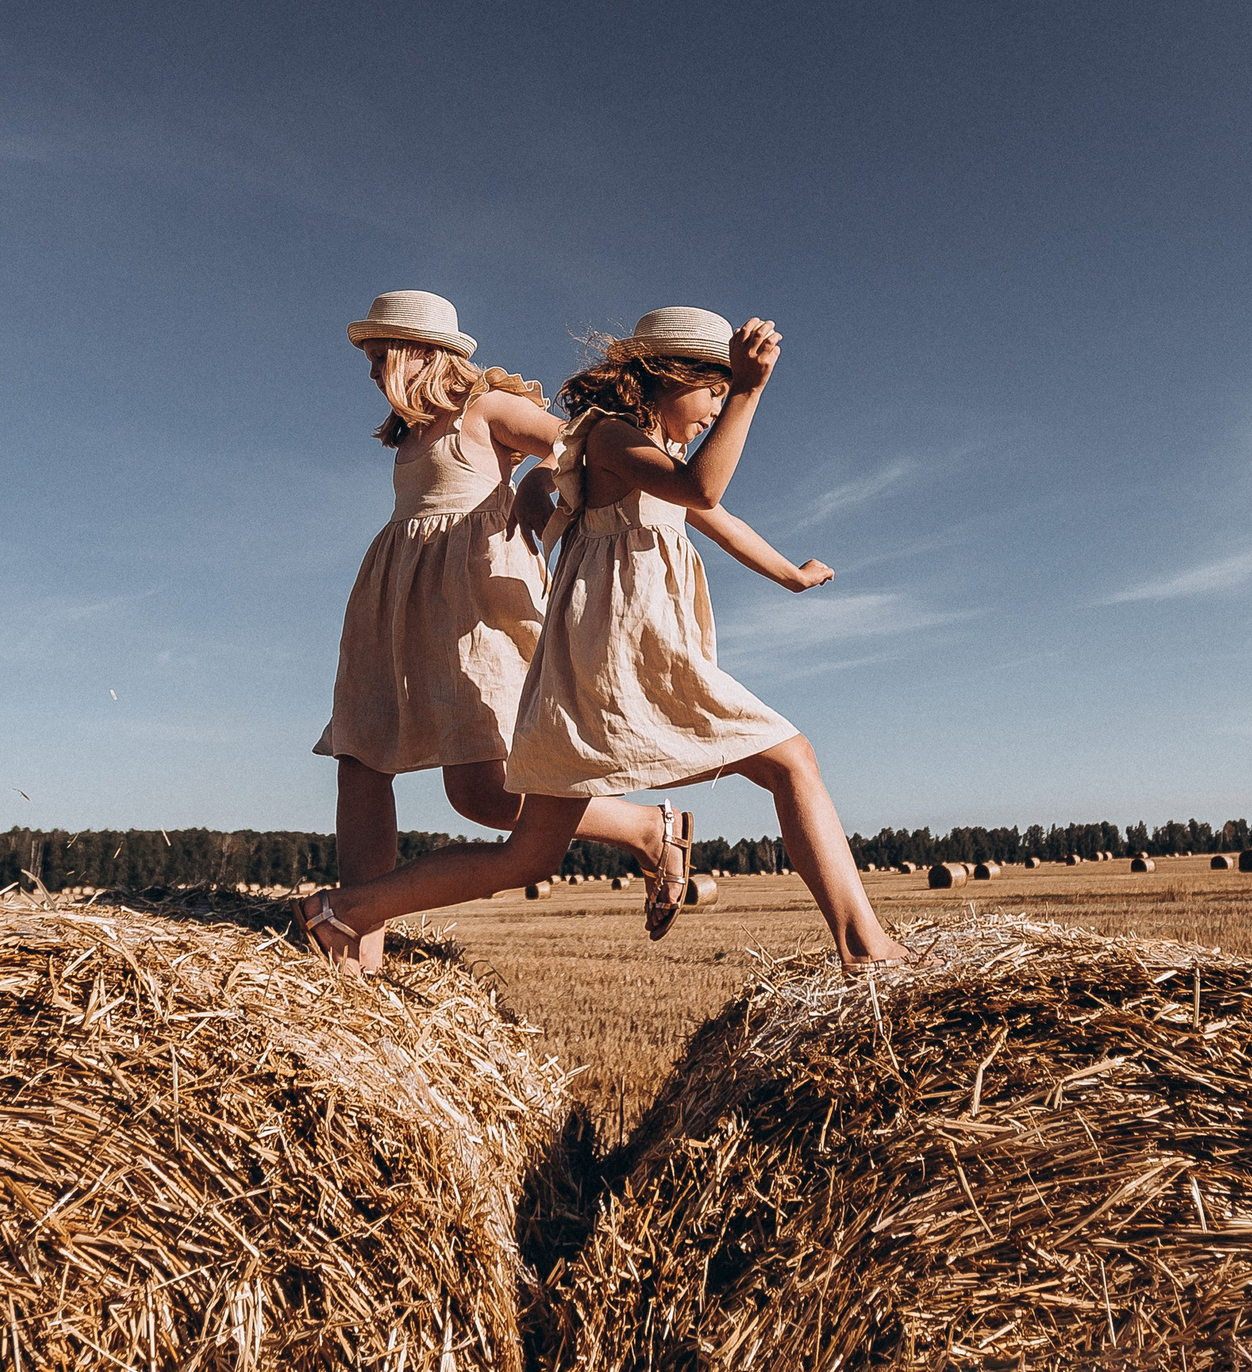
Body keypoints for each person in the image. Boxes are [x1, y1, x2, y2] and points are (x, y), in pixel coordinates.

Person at [299, 306, 912, 968]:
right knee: (792, 759)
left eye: (723, 393)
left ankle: (343, 911)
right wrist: (749, 390)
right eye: (711, 390)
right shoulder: (613, 440)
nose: (715, 407)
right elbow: (700, 488)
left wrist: (789, 574)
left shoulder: (618, 450)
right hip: (621, 657)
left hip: (599, 663)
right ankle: (865, 948)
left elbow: (707, 511)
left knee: (527, 856)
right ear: (668, 377)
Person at [315, 290, 686, 969]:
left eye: (378, 355)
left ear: (420, 353)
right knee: (360, 762)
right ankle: (356, 950)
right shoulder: (408, 435)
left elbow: (579, 444)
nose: (370, 370)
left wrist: (540, 483)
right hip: (392, 608)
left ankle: (645, 827)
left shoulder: (485, 409)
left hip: (472, 607)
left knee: (481, 793)